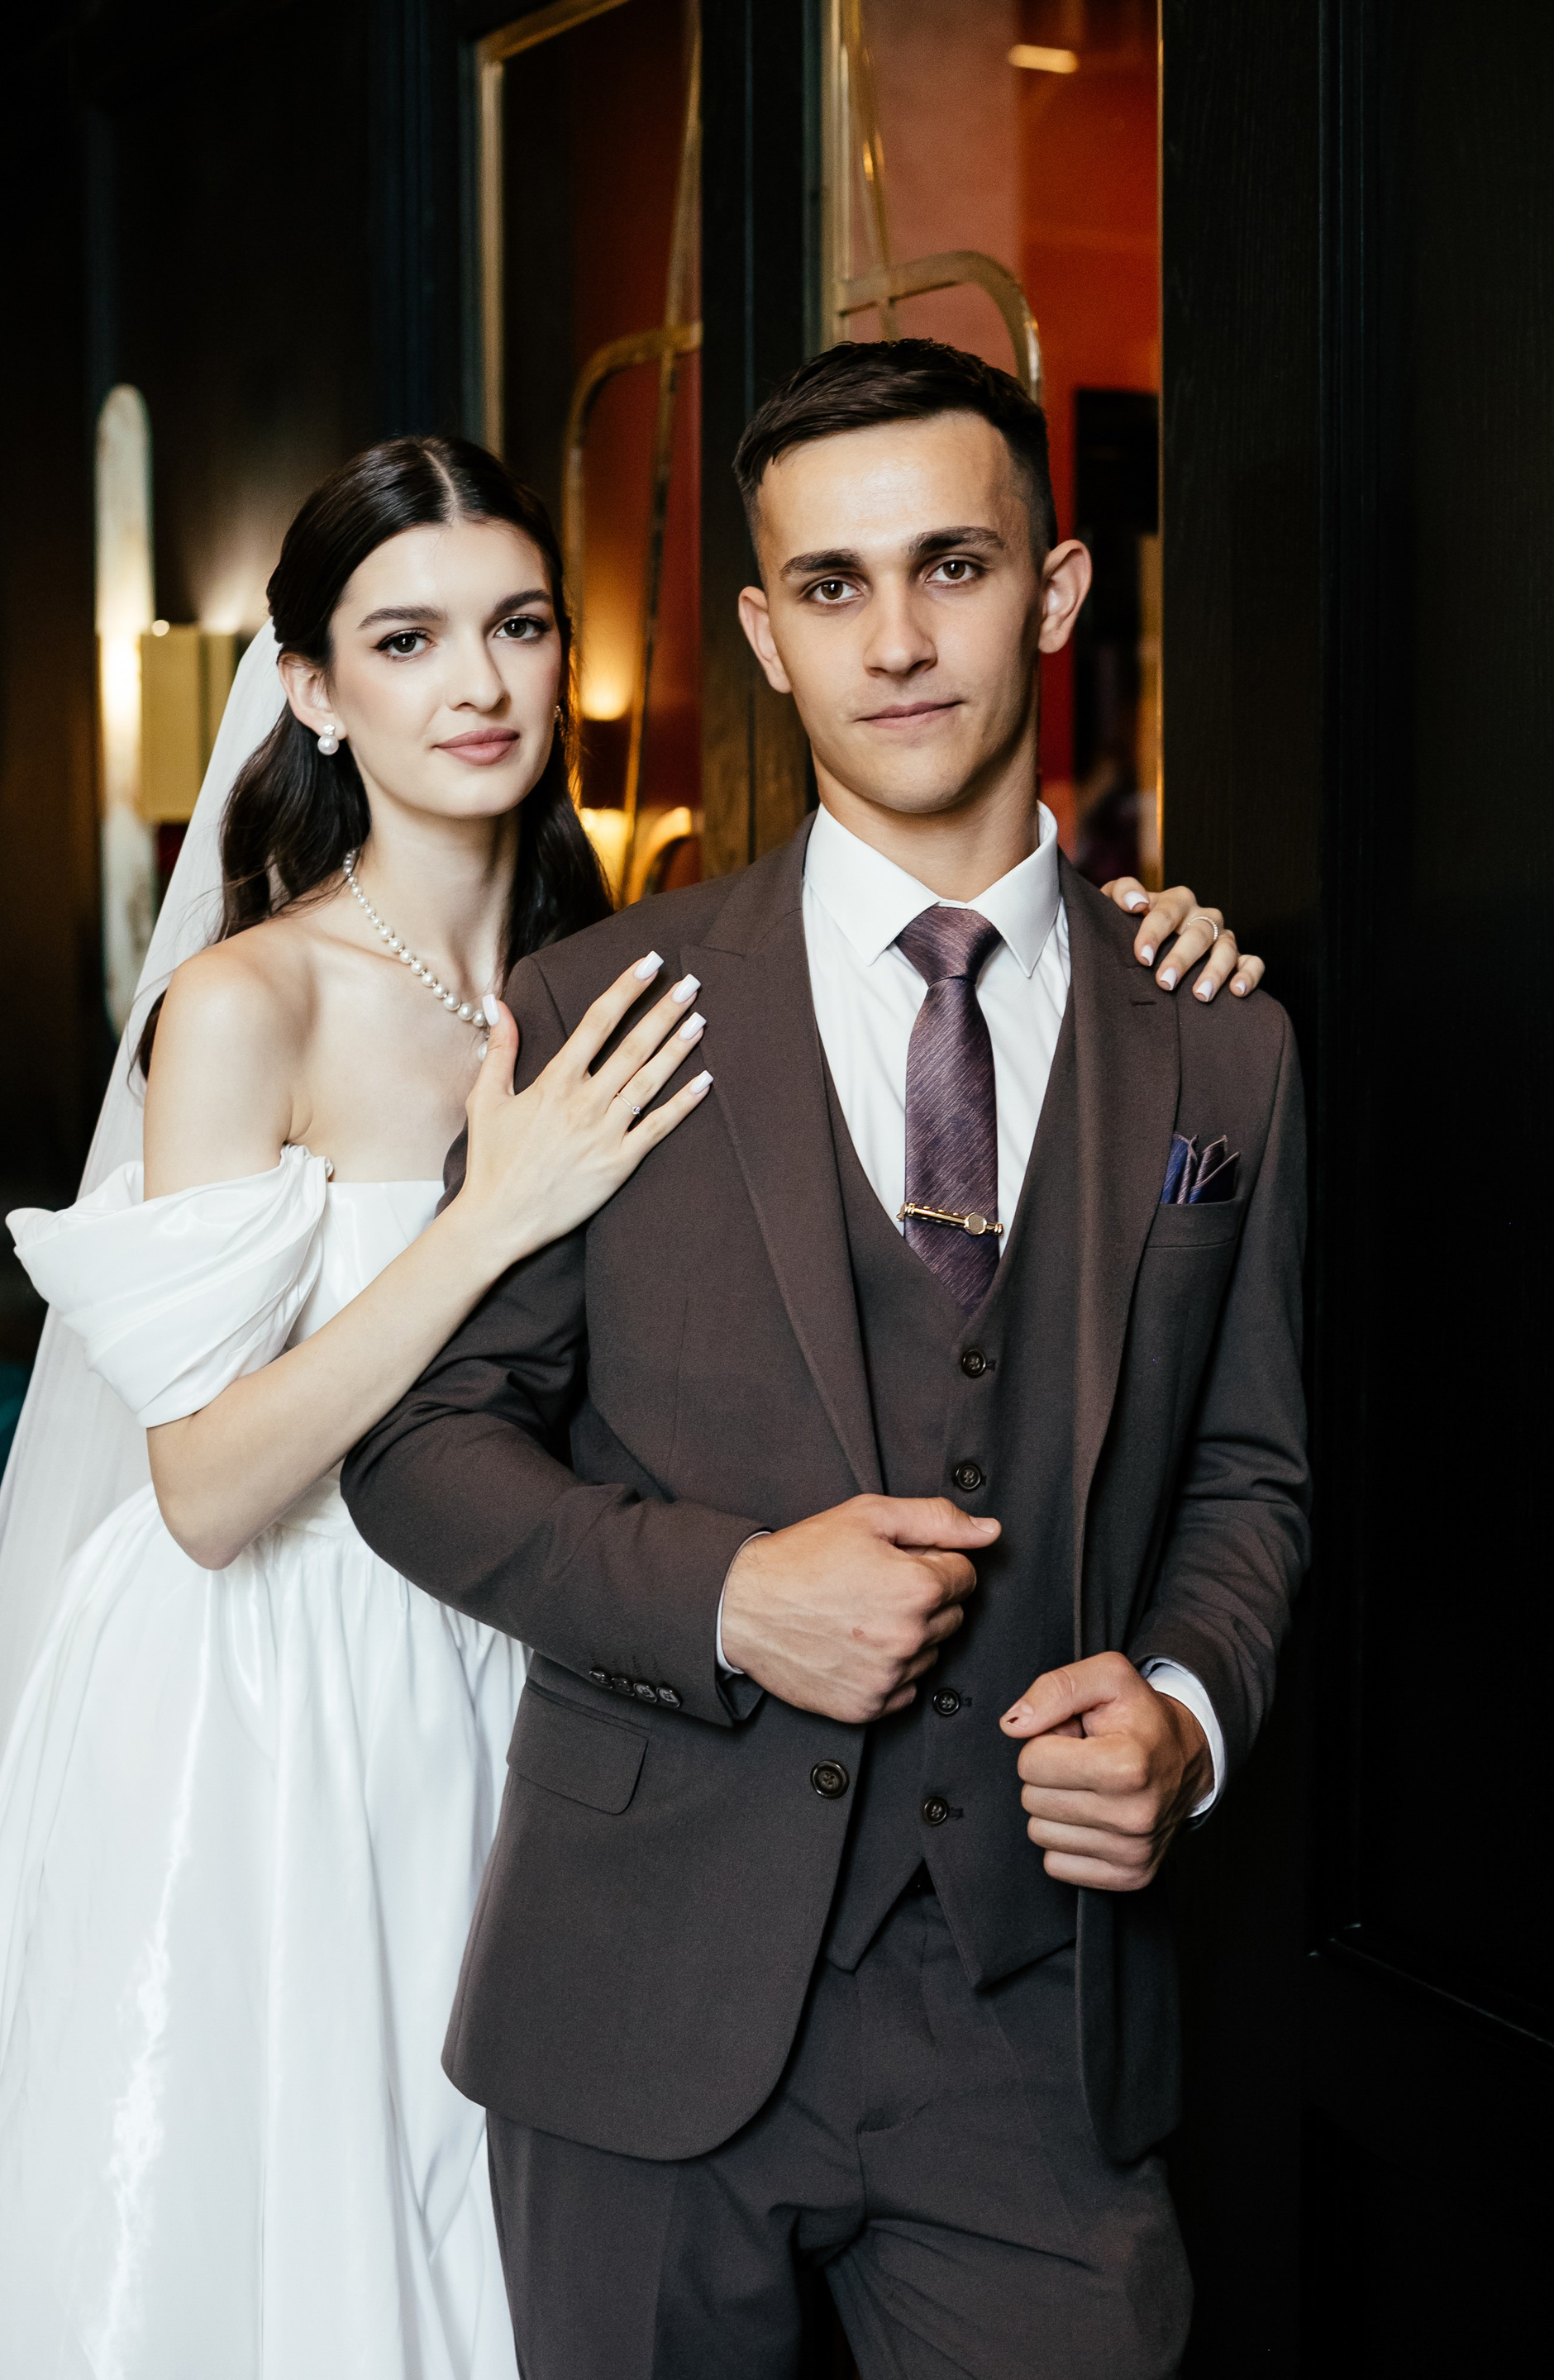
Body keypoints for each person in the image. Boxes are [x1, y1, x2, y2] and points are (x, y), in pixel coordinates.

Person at [343, 339, 1309, 2380]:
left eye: (952, 566)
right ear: (767, 636)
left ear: (1055, 593)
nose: (897, 642)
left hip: (1035, 2014)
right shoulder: (601, 1003)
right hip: (639, 1991)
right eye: (833, 587)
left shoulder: (1219, 1035)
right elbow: (417, 1444)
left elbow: (1248, 1472)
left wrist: (1183, 1711)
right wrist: (726, 1595)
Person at [0, 436, 718, 2380]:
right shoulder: (255, 1004)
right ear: (313, 689)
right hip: (275, 1700)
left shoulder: (615, 974)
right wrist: (488, 1216)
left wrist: (1152, 934)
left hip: (530, 1661)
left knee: (512, 2250)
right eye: (406, 640)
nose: (476, 683)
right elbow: (206, 1488)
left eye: (518, 626)